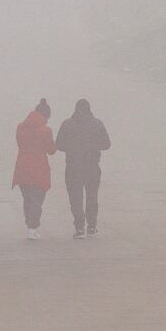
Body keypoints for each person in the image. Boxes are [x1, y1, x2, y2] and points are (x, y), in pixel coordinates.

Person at [55, 98, 110, 238]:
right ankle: (92, 227)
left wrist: (72, 147)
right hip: (92, 166)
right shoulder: (97, 124)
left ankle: (79, 228)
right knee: (92, 196)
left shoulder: (67, 124)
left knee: (75, 198)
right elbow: (107, 144)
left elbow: (59, 144)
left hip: (73, 166)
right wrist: (93, 146)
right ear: (89, 109)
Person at [11, 99, 56, 240]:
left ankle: (30, 225)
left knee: (27, 198)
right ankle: (33, 227)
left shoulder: (20, 127)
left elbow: (19, 143)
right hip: (38, 168)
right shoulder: (46, 130)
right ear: (46, 116)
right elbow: (51, 150)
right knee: (37, 199)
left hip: (22, 167)